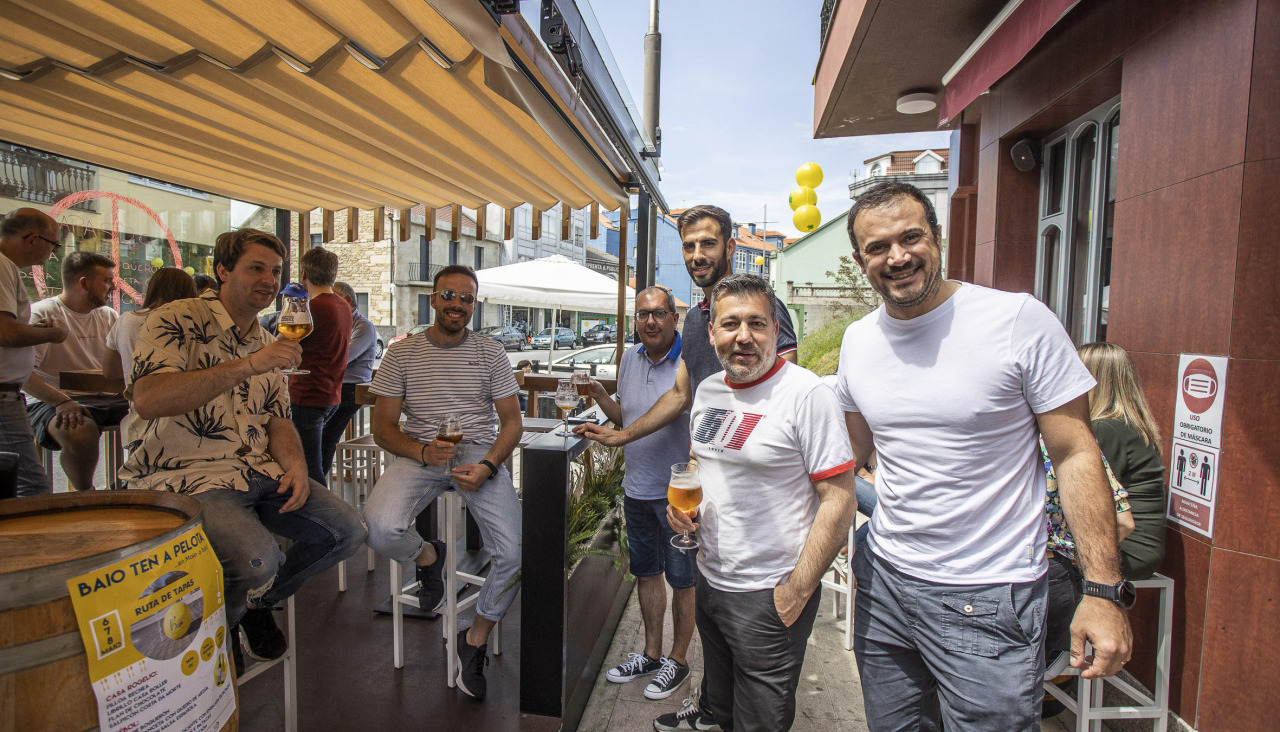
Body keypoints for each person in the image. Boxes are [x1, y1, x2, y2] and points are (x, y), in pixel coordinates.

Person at [834, 181, 1132, 730]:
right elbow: (849, 454)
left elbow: (1075, 453)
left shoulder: (1016, 320)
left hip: (989, 596)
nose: (897, 257)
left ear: (937, 237)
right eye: (878, 247)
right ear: (860, 261)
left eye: (910, 237)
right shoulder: (858, 340)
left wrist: (1101, 590)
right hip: (884, 583)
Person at [576, 204, 799, 732]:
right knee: (714, 614)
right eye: (690, 246)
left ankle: (723, 706)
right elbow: (683, 395)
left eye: (708, 244)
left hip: (754, 500)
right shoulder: (700, 320)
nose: (698, 255)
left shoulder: (760, 307)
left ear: (730, 246)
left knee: (751, 635)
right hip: (704, 488)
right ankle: (711, 706)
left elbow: (782, 395)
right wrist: (624, 435)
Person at [121, 228, 366, 674]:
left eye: (276, 271)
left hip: (256, 470)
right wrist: (247, 365)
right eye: (256, 268)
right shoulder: (177, 319)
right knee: (257, 562)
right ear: (222, 270)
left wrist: (295, 466)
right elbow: (149, 399)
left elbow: (278, 419)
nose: (270, 280)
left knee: (348, 531)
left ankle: (253, 605)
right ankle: (221, 633)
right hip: (186, 474)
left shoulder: (265, 340)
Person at [667, 274, 855, 731]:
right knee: (723, 709)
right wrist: (683, 510)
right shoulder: (709, 389)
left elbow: (839, 501)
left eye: (756, 323)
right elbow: (700, 461)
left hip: (769, 593)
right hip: (711, 580)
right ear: (711, 332)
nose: (743, 336)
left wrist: (795, 592)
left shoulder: (807, 394)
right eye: (730, 324)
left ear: (775, 329)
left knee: (760, 722)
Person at [364, 264, 523, 701]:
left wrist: (488, 465)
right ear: (433, 299)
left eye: (466, 298)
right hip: (420, 452)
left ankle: (474, 639)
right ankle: (428, 556)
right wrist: (421, 452)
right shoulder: (402, 353)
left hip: (477, 454)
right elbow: (382, 428)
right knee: (378, 528)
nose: (457, 304)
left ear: (475, 305)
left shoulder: (491, 352)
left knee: (514, 553)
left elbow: (512, 423)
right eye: (449, 296)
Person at [591, 286, 696, 700]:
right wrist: (601, 397)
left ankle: (678, 660)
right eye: (642, 314)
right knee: (647, 575)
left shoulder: (688, 361)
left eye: (658, 313)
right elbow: (626, 416)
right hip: (636, 489)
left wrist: (621, 436)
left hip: (676, 496)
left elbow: (673, 408)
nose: (650, 321)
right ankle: (651, 654)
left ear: (674, 318)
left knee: (683, 581)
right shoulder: (629, 358)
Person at [23, 250, 128, 491]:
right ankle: (86, 495)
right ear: (84, 283)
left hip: (105, 397)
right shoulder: (42, 314)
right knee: (79, 432)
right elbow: (23, 374)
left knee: (159, 412)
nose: (113, 287)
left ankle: (131, 486)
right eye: (107, 280)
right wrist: (62, 401)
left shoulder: (109, 315)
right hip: (51, 399)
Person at [1077, 342, 1167, 581]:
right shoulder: (1130, 425)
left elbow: (1093, 499)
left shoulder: (1106, 428)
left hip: (1128, 549)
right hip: (1140, 548)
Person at [0, 208, 67, 496]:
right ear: (32, 239)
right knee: (33, 486)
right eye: (55, 244)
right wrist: (53, 334)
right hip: (3, 394)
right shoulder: (2, 266)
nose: (53, 253)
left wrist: (32, 330)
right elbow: (5, 333)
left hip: (9, 394)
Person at [287, 247, 351, 486]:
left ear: (303, 273)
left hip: (307, 395)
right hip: (331, 395)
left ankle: (320, 509)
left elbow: (280, 344)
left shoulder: (311, 308)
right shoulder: (343, 305)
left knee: (308, 472)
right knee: (318, 465)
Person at [318, 281, 379, 478]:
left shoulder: (364, 326)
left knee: (325, 435)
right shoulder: (335, 323)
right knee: (309, 431)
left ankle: (318, 481)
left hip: (351, 389)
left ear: (347, 300)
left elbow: (342, 357)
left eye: (333, 299)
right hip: (332, 385)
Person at [103, 267, 197, 386]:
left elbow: (110, 372)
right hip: (178, 395)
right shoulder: (187, 323)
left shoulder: (126, 319)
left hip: (136, 396)